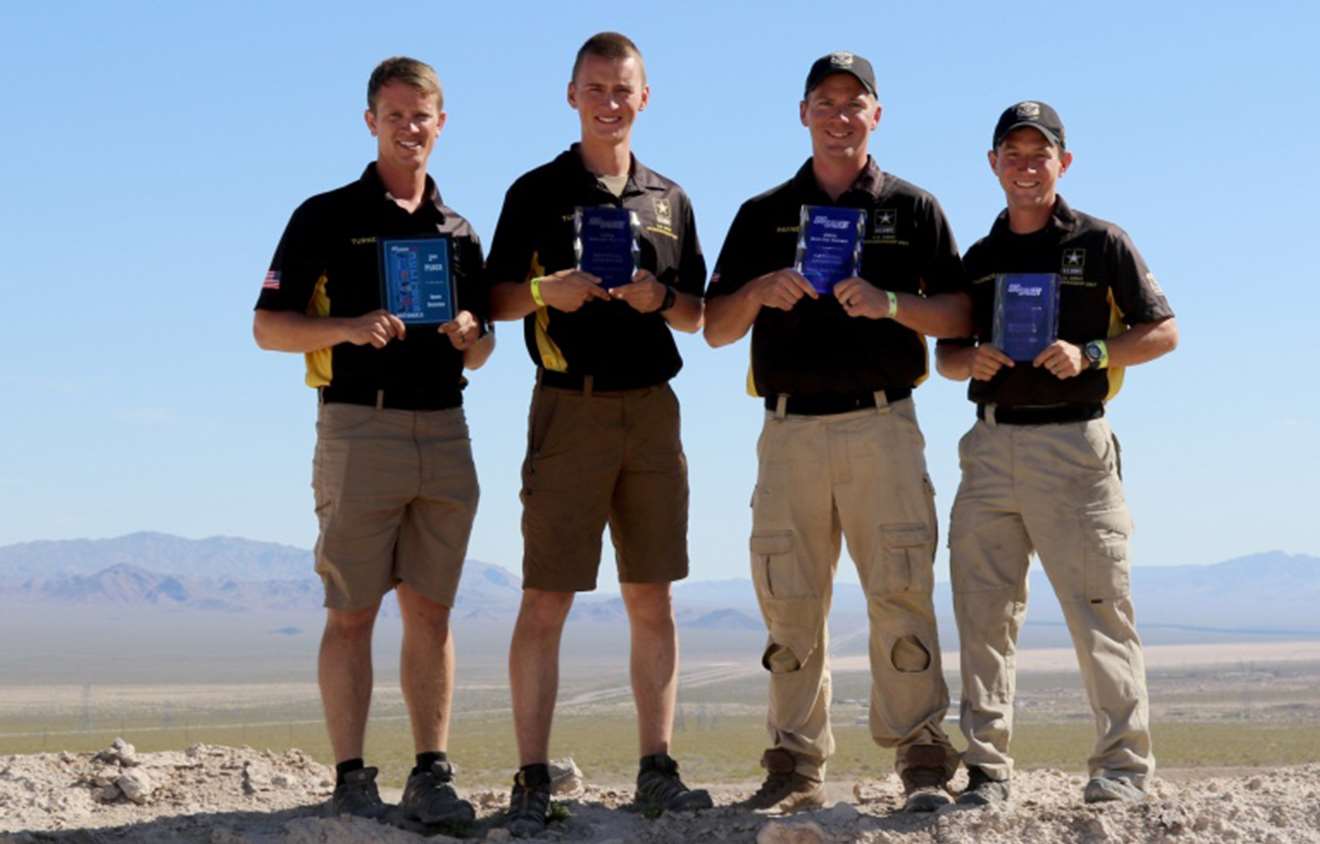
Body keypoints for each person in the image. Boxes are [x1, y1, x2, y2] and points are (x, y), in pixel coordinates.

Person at [703, 51, 969, 814]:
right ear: (803, 112)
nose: (840, 115)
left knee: (899, 586)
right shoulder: (762, 214)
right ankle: (794, 761)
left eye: (856, 104)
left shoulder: (913, 209)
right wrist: (759, 289)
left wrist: (890, 304)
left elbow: (956, 318)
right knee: (789, 598)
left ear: (876, 116)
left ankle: (919, 749)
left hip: (883, 422)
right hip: (787, 431)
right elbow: (717, 330)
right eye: (826, 101)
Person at [252, 57, 493, 824]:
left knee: (432, 611)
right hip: (358, 425)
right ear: (371, 122)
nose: (408, 128)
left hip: (446, 430)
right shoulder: (324, 215)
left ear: (440, 124)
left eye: (421, 116)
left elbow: (484, 348)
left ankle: (432, 772)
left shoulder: (458, 231)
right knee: (352, 610)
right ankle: (352, 778)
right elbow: (267, 327)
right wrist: (347, 329)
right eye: (394, 115)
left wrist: (471, 334)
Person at [484, 32, 711, 837]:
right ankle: (533, 778)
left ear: (643, 98)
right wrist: (549, 289)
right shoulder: (536, 191)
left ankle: (658, 768)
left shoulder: (670, 197)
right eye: (596, 88)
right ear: (571, 95)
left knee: (653, 596)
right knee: (546, 597)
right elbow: (495, 299)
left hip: (652, 411)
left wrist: (660, 300)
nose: (610, 102)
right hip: (567, 409)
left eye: (623, 90)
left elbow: (700, 312)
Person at [935, 100, 1179, 807]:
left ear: (1062, 163)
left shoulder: (1103, 243)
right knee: (983, 612)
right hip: (990, 446)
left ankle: (1123, 767)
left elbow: (1163, 331)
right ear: (993, 165)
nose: (1026, 166)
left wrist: (1094, 351)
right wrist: (967, 361)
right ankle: (987, 768)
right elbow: (946, 353)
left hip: (1075, 448)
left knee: (1100, 608)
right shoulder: (978, 260)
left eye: (1040, 154)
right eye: (1012, 154)